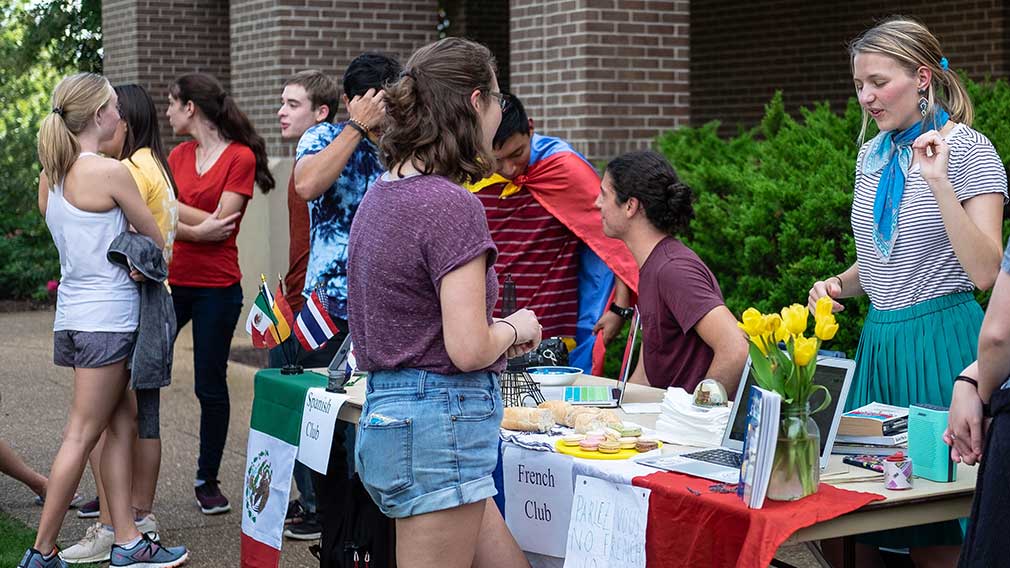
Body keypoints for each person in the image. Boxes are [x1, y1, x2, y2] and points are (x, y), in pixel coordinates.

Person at [807, 17, 1007, 568]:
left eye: (877, 82)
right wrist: (839, 286)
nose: (866, 97)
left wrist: (939, 179)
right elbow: (882, 259)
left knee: (938, 532)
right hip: (880, 348)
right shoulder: (870, 156)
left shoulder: (967, 150)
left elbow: (987, 270)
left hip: (944, 348)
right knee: (861, 530)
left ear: (922, 77)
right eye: (858, 86)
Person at [347, 37, 540, 568]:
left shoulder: (381, 193)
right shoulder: (452, 204)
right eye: (499, 98)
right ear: (476, 102)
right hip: (439, 428)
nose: (503, 110)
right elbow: (469, 347)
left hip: (400, 420)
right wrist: (517, 328)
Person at [21, 72, 186, 568]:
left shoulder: (51, 174)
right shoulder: (110, 172)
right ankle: (42, 550)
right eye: (114, 106)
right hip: (108, 320)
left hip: (73, 317)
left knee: (120, 424)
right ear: (98, 116)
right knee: (83, 432)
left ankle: (128, 538)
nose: (120, 113)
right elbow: (155, 239)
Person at [167, 72, 275, 515]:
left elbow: (221, 226)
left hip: (217, 288)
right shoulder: (176, 155)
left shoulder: (241, 158)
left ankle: (206, 479)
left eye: (172, 103)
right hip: (171, 284)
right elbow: (164, 210)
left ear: (190, 107)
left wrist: (174, 213)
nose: (168, 111)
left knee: (209, 385)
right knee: (137, 376)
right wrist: (189, 218)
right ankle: (121, 483)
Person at [466, 94, 637, 373]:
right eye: (497, 161)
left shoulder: (563, 170)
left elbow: (614, 237)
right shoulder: (469, 177)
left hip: (554, 334)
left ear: (530, 129)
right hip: (487, 331)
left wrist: (620, 308)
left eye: (517, 154)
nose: (509, 169)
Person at [597, 150, 748, 393]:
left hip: (689, 428)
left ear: (630, 206)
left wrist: (699, 413)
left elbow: (735, 347)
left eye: (604, 195)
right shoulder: (653, 266)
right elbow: (647, 375)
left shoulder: (673, 270)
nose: (597, 203)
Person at [293, 53, 397, 344]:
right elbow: (307, 185)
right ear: (349, 102)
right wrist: (358, 125)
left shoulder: (410, 149)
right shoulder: (323, 136)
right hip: (328, 308)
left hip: (389, 307)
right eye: (367, 104)